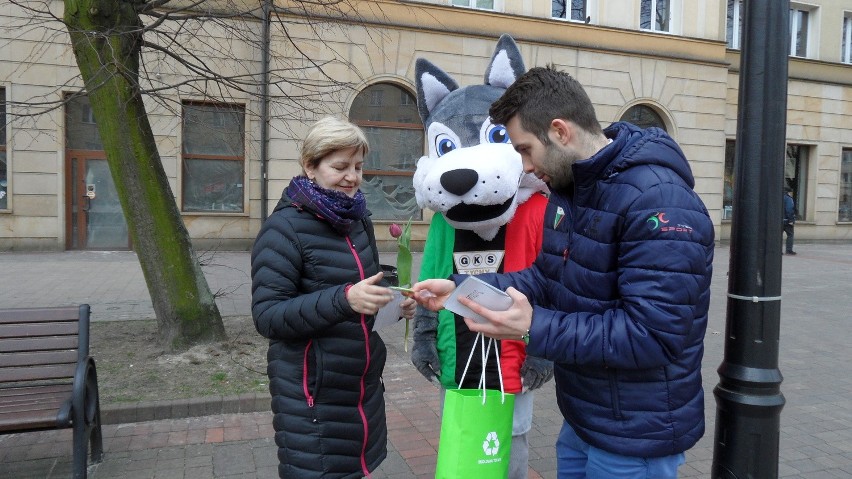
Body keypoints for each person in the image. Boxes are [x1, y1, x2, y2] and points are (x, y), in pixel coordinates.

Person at [412, 65, 715, 479]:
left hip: (636, 435)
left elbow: (652, 336)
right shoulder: (570, 191)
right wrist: (462, 290)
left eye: (523, 148)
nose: (524, 165)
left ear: (559, 131)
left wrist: (532, 327)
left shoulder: (660, 201)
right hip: (585, 416)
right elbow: (543, 278)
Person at [251, 116, 416, 479]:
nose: (352, 177)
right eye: (340, 166)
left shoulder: (356, 219)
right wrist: (345, 299)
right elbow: (268, 317)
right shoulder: (283, 230)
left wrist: (393, 304)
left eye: (358, 167)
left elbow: (360, 293)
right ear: (310, 166)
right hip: (313, 395)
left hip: (359, 389)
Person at [784, 185, 797, 255]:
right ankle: (789, 250)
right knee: (790, 235)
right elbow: (789, 209)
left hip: (778, 220)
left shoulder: (777, 197)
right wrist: (791, 220)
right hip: (787, 220)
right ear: (788, 192)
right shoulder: (788, 198)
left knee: (777, 236)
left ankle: (777, 250)